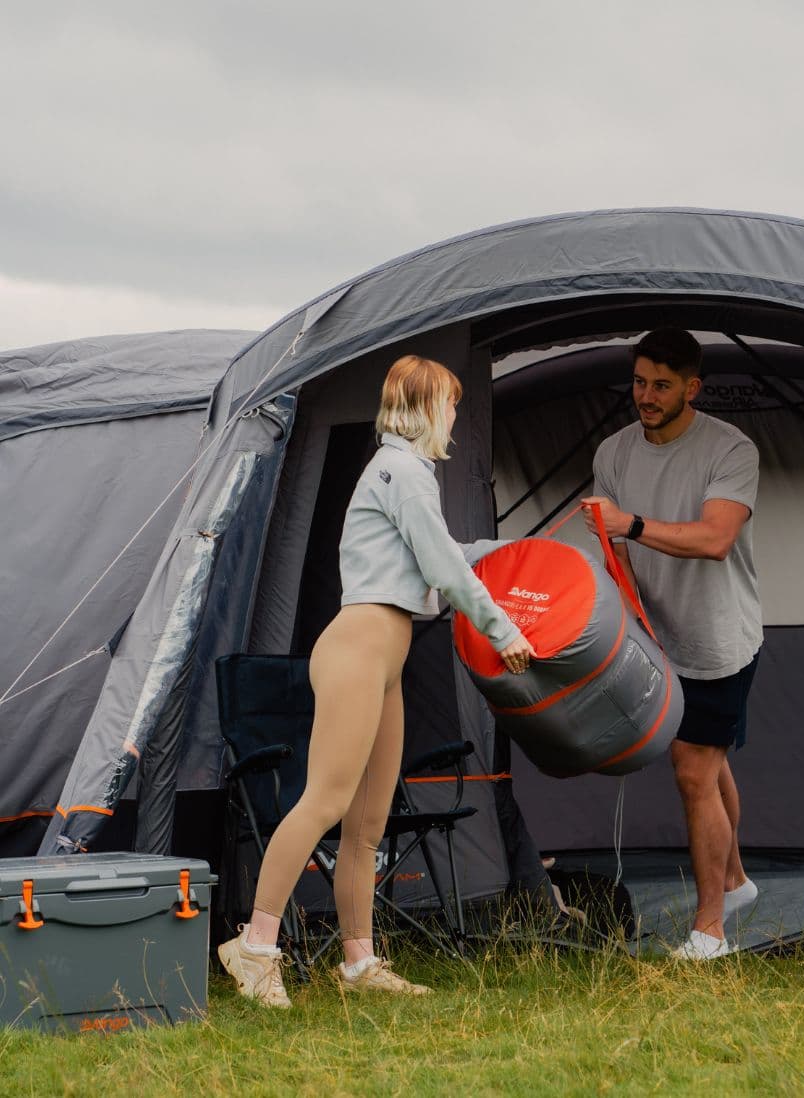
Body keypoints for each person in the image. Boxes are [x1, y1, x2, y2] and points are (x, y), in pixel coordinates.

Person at [219, 354, 536, 1006]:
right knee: (326, 803)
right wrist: (503, 631)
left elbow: (438, 553)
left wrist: (495, 555)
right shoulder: (402, 470)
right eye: (449, 403)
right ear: (424, 407)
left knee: (367, 822)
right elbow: (444, 566)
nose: (454, 414)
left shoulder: (405, 473)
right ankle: (253, 946)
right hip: (360, 648)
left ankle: (359, 962)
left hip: (385, 659)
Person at [582, 328, 762, 961]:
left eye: (662, 384)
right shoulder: (614, 452)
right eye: (639, 382)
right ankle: (736, 881)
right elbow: (615, 553)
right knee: (708, 767)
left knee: (693, 773)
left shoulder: (731, 449)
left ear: (692, 387)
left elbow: (715, 539)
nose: (647, 395)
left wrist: (627, 521)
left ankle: (709, 931)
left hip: (719, 640)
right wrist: (634, 622)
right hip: (654, 638)